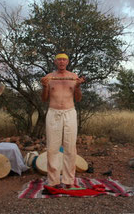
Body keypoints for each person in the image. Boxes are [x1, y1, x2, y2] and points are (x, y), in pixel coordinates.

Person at [41, 52, 85, 188]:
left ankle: (68, 180)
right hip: (53, 113)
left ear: (67, 62)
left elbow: (78, 99)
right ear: (55, 62)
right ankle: (53, 181)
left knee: (70, 148)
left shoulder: (73, 77)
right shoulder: (49, 77)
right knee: (52, 148)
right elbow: (44, 98)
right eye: (59, 60)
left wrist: (77, 86)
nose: (61, 62)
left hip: (69, 113)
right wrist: (44, 86)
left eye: (64, 60)